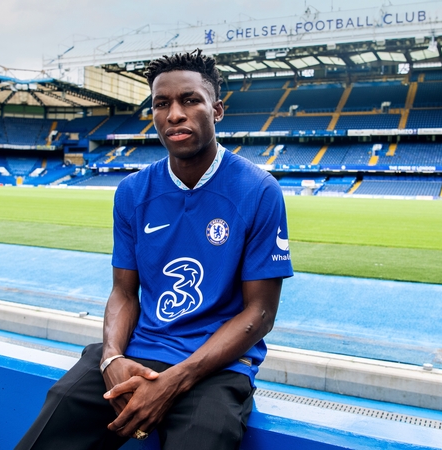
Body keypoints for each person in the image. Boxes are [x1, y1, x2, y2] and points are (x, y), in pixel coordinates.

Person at [15, 49, 293, 450]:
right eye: (161, 104)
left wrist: (174, 381)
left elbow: (260, 313)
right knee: (58, 412)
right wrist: (111, 358)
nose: (174, 114)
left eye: (190, 100)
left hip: (215, 365)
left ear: (217, 110)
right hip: (138, 349)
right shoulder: (132, 191)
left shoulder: (258, 190)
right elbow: (124, 293)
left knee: (203, 438)